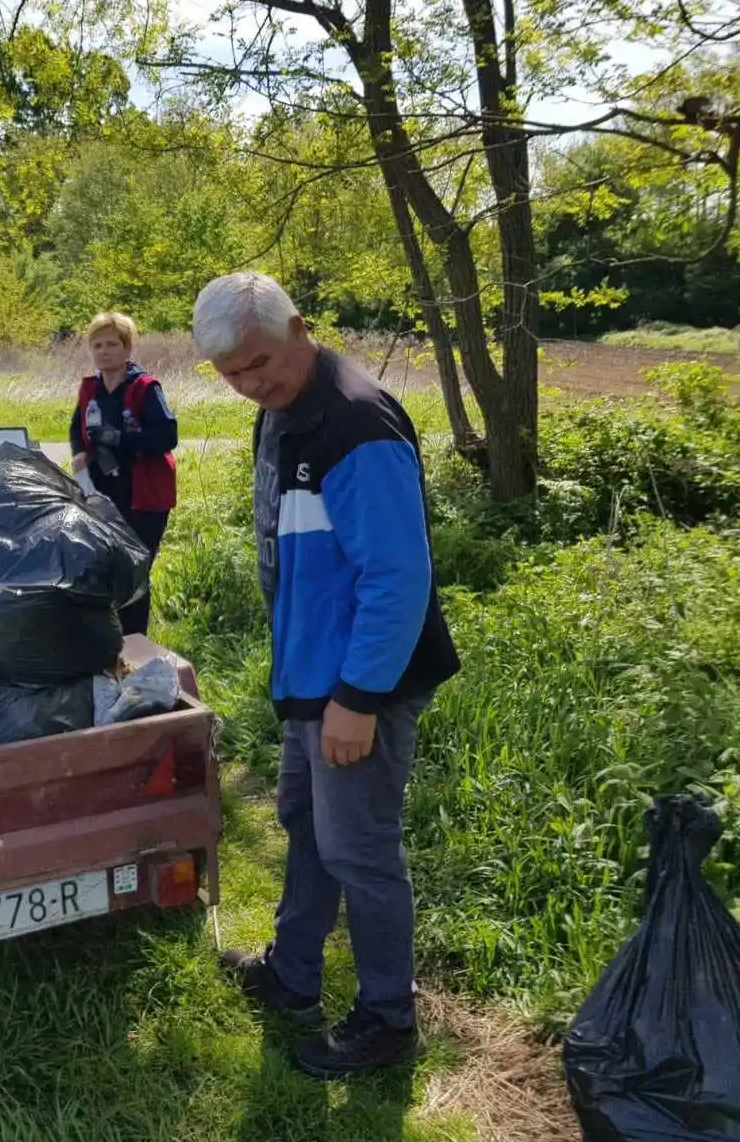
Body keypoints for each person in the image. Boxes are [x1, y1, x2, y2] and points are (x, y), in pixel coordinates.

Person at [190, 272, 460, 1078]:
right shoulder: (283, 414)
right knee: (305, 822)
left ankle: (388, 1018)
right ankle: (293, 974)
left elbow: (397, 578)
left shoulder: (355, 421)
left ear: (300, 329)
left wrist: (358, 699)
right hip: (314, 675)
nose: (250, 384)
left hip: (360, 684)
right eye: (231, 373)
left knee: (359, 848)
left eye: (260, 362)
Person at [68, 312, 178, 636]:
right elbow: (77, 429)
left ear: (127, 348)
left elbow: (167, 437)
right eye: (97, 345)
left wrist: (120, 439)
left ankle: (135, 643)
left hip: (144, 496)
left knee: (134, 571)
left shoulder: (145, 388)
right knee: (105, 568)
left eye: (112, 344)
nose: (104, 351)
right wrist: (79, 452)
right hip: (102, 492)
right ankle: (109, 642)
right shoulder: (90, 389)